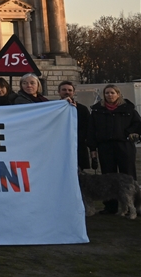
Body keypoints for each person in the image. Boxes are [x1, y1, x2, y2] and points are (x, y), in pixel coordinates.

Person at [89, 85, 141, 214]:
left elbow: (138, 123)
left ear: (118, 94)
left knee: (128, 176)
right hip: (105, 147)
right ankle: (110, 207)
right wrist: (93, 149)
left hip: (124, 145)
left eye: (112, 92)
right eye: (107, 93)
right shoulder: (97, 111)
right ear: (104, 95)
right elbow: (92, 131)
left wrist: (127, 132)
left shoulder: (128, 108)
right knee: (107, 178)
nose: (109, 95)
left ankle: (134, 206)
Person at [58, 81, 93, 169]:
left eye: (70, 90)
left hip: (78, 147)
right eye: (64, 90)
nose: (67, 92)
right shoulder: (53, 108)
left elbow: (88, 127)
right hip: (59, 147)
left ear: (74, 92)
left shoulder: (82, 109)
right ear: (59, 92)